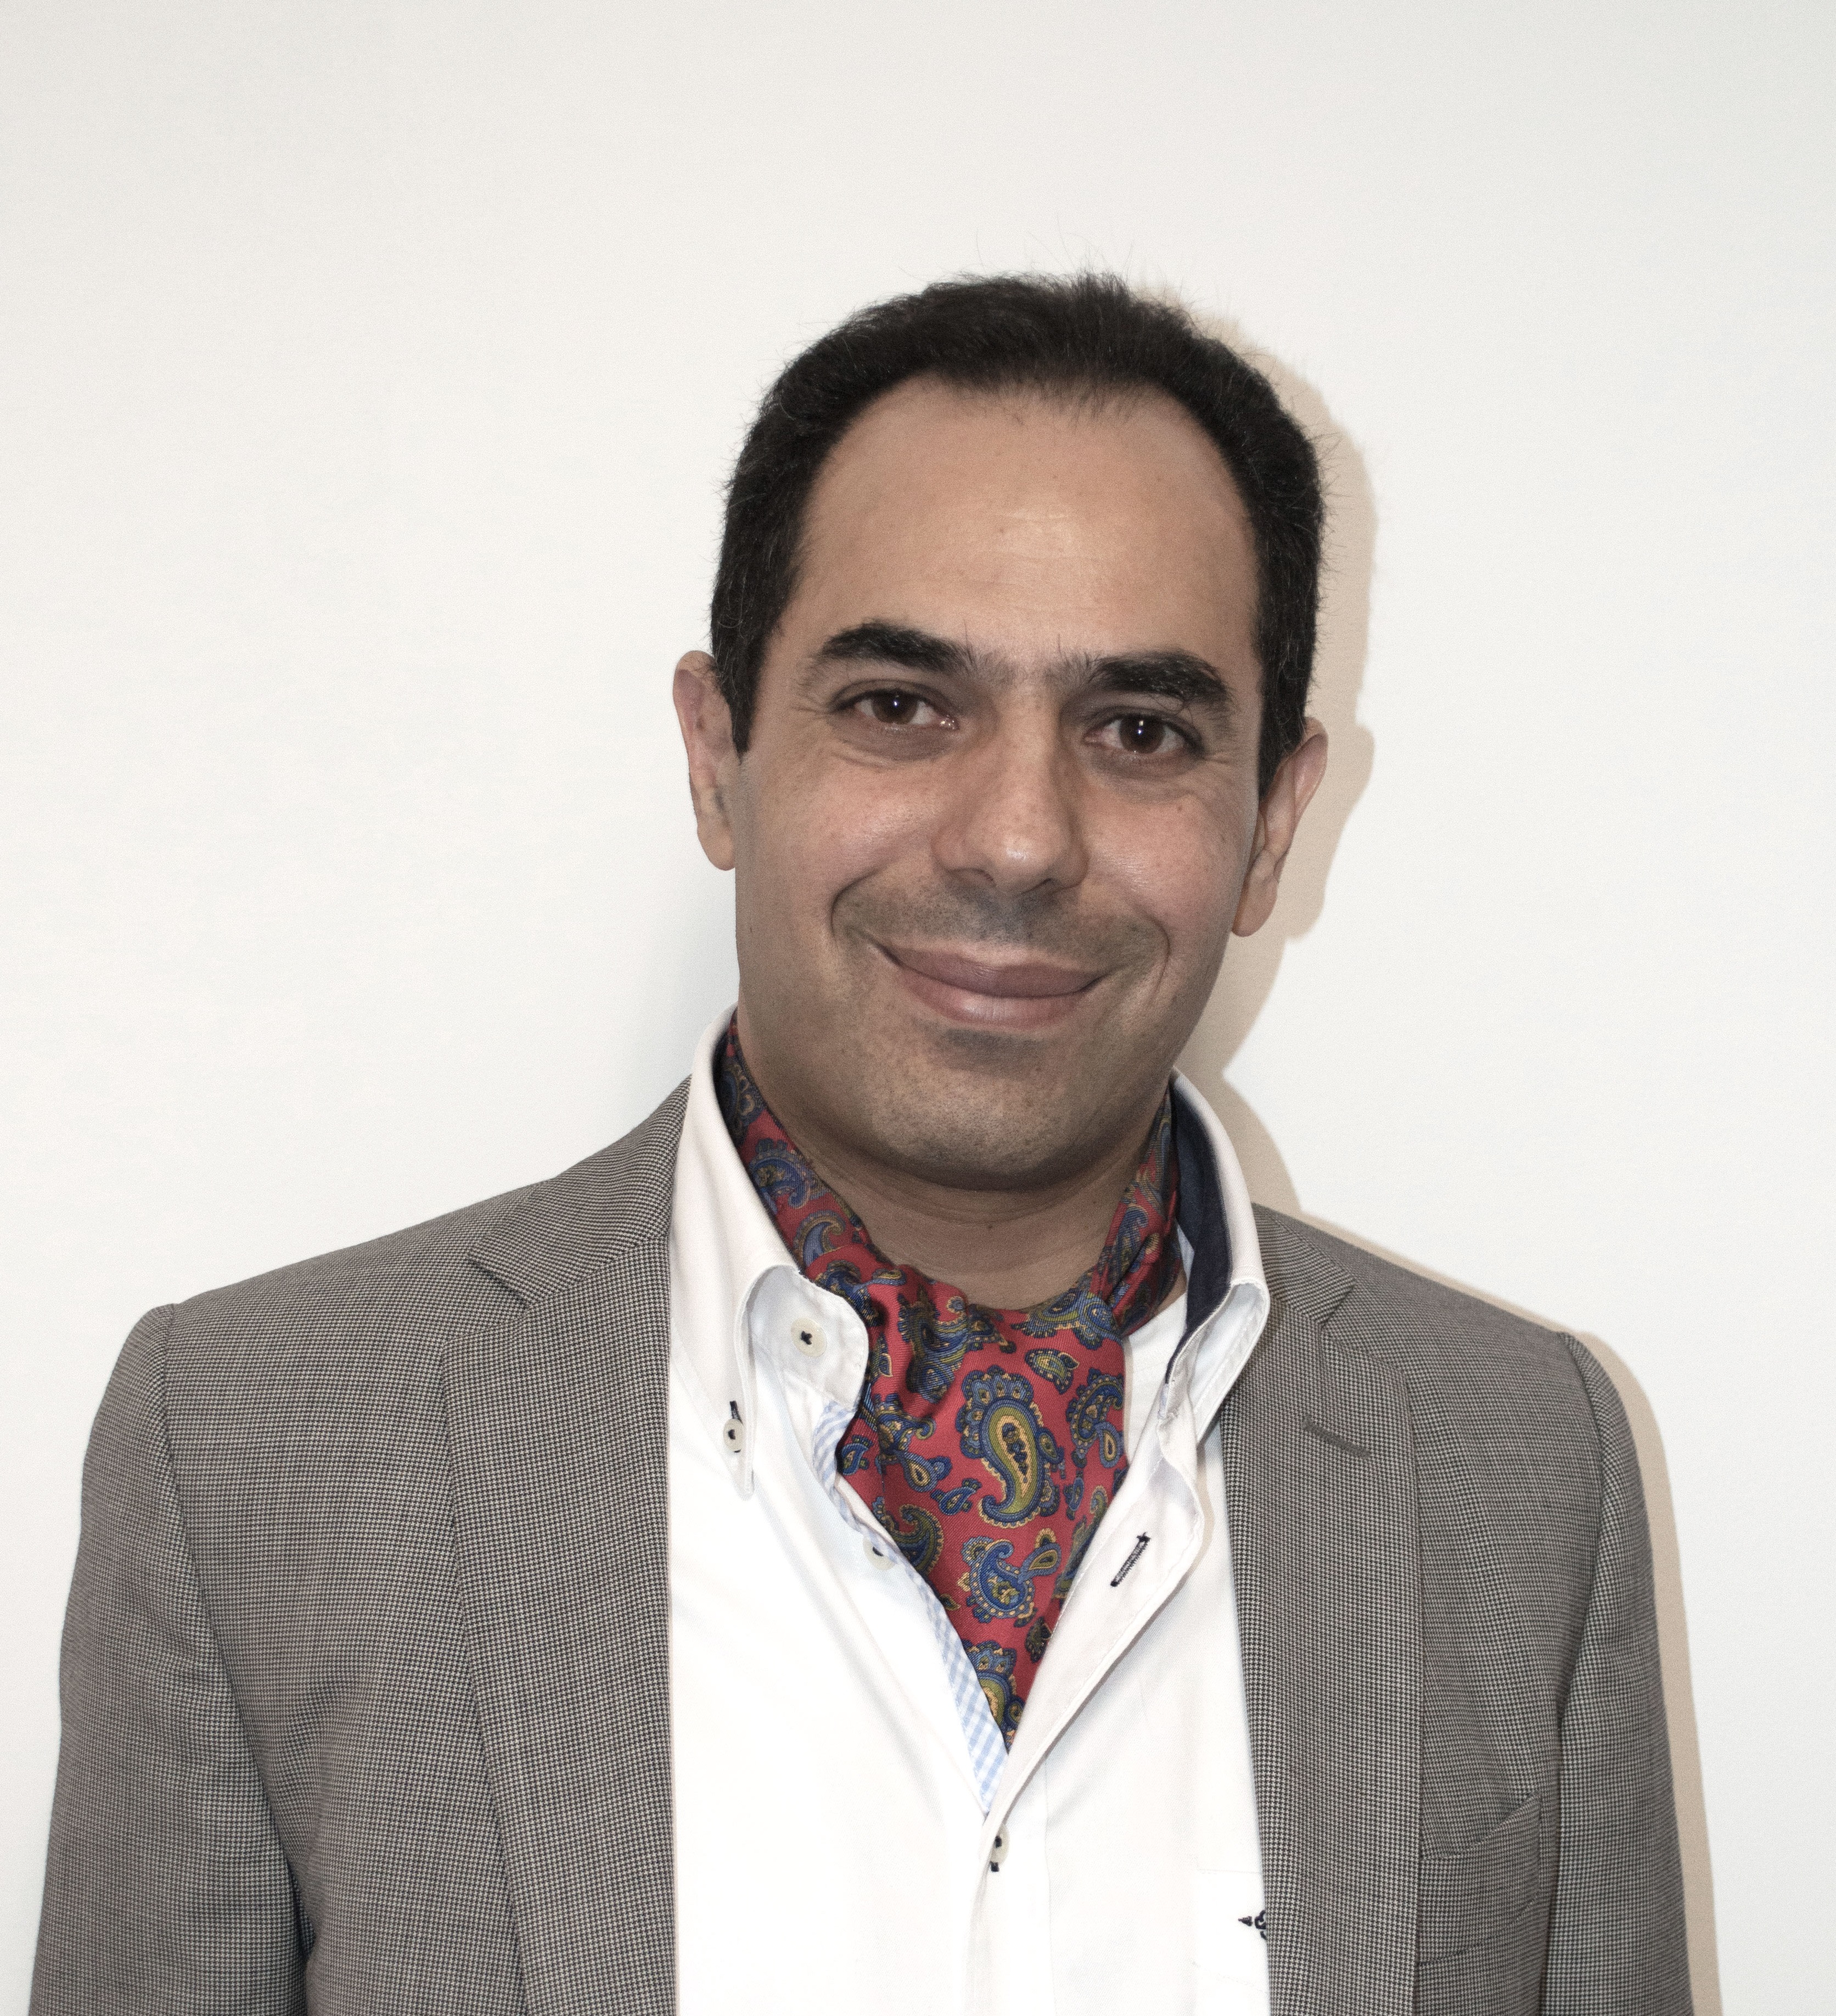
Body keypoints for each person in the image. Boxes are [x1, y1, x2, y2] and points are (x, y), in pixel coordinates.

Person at [32, 274, 1691, 2016]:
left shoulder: (1524, 1469)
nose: (1019, 838)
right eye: (902, 704)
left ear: (1271, 819)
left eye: (1138, 731)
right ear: (718, 755)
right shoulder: (244, 1454)